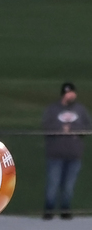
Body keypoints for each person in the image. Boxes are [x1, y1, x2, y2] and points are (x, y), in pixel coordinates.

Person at [43, 83, 91, 219]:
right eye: (69, 93)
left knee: (68, 186)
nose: (72, 95)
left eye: (73, 93)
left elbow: (88, 126)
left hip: (74, 154)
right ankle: (49, 211)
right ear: (64, 94)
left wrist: (75, 130)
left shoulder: (80, 110)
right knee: (53, 184)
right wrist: (60, 130)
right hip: (55, 154)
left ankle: (65, 210)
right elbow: (46, 127)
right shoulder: (53, 109)